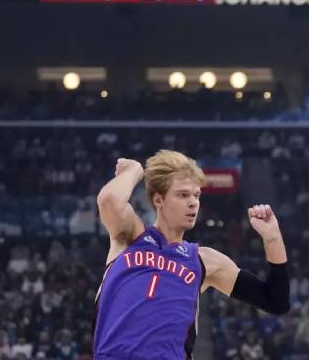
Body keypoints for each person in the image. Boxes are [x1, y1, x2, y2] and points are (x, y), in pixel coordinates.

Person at [92, 150, 290, 359]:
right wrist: (134, 170)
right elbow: (108, 200)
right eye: (183, 195)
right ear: (158, 200)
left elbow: (275, 301)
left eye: (196, 195)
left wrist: (273, 238)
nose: (193, 202)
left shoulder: (204, 260)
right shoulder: (131, 236)